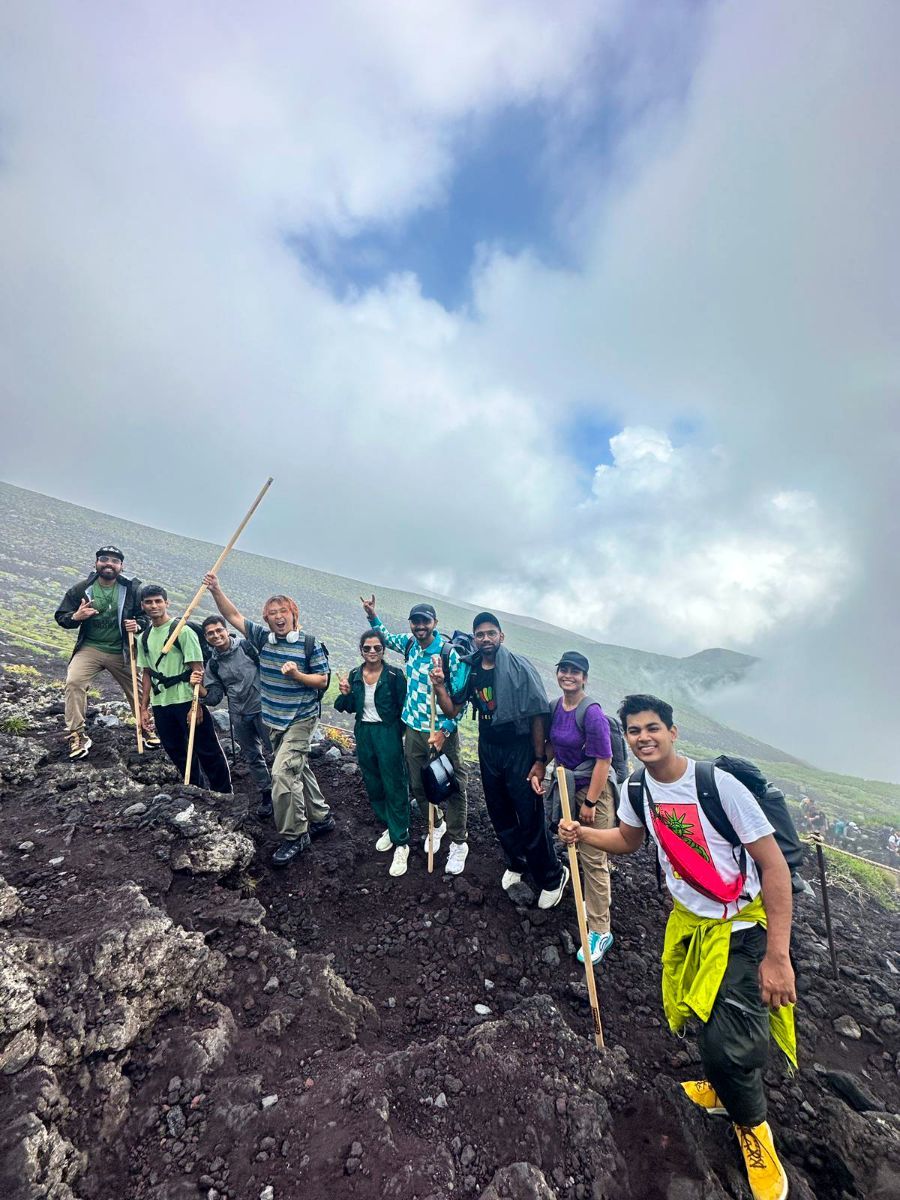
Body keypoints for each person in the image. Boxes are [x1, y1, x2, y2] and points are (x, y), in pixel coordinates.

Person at [560, 694, 795, 1200]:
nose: (643, 738)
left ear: (673, 731)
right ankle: (722, 1088)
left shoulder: (719, 786)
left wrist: (778, 955)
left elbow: (773, 866)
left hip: (739, 927)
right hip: (689, 925)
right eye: (634, 731)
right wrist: (583, 834)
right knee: (701, 1016)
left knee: (730, 1042)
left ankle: (754, 1130)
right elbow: (629, 840)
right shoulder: (638, 786)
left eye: (652, 728)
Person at [432, 612, 568, 907]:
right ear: (474, 638)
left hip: (519, 748)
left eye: (491, 633)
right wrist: (440, 686)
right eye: (480, 634)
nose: (486, 639)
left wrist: (539, 760)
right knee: (499, 810)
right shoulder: (470, 669)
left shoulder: (520, 668)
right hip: (489, 747)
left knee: (529, 813)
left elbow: (537, 714)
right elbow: (453, 710)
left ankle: (552, 875)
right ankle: (517, 861)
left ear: (501, 636)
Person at [204, 572, 333, 867]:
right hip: (274, 720)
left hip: (301, 719)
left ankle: (295, 835)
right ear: (266, 619)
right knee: (298, 768)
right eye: (272, 613)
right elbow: (233, 616)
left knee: (282, 774)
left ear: (294, 614)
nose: (278, 616)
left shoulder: (309, 644)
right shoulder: (263, 639)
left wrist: (297, 675)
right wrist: (216, 589)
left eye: (283, 611)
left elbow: (322, 680)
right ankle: (322, 817)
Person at [362, 594, 469, 875]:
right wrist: (372, 616)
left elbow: (462, 700)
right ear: (411, 623)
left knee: (453, 785)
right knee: (419, 784)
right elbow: (385, 637)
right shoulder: (409, 644)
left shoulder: (448, 654)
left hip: (441, 731)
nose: (420, 626)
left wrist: (445, 730)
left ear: (435, 622)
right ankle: (436, 824)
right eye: (415, 621)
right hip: (414, 729)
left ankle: (459, 841)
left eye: (425, 621)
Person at [543, 651, 614, 964]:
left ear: (584, 678)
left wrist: (590, 802)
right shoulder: (556, 707)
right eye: (564, 669)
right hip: (567, 785)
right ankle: (591, 903)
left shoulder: (592, 713)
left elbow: (604, 761)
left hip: (591, 789)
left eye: (575, 671)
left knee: (593, 858)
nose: (568, 675)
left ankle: (600, 929)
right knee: (575, 849)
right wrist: (538, 766)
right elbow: (553, 746)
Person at [53, 545, 152, 760]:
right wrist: (76, 617)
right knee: (74, 682)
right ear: (96, 563)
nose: (109, 564)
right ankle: (77, 734)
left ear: (121, 566)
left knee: (137, 690)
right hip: (90, 648)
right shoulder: (81, 589)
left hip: (121, 649)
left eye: (115, 561)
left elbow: (146, 616)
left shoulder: (132, 590)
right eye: (104, 559)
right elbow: (61, 616)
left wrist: (138, 625)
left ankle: (145, 727)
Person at [135, 585, 232, 792]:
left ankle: (224, 794)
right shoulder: (143, 637)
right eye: (149, 602)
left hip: (186, 699)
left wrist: (196, 706)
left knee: (207, 749)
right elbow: (147, 673)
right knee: (176, 750)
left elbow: (197, 669)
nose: (154, 606)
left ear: (166, 603)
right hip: (161, 703)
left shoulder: (183, 631)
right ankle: (197, 791)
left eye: (158, 601)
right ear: (142, 606)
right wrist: (144, 708)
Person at [334, 629, 410, 877]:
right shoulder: (355, 675)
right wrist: (345, 693)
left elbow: (403, 707)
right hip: (364, 732)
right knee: (373, 782)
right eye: (367, 648)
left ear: (384, 650)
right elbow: (347, 708)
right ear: (361, 650)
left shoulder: (394, 675)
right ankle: (391, 824)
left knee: (394, 783)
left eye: (377, 647)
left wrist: (397, 735)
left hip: (387, 732)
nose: (372, 651)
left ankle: (401, 841)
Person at [198, 615, 273, 819]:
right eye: (210, 633)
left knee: (276, 751)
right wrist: (199, 688)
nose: (216, 635)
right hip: (238, 715)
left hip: (263, 709)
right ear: (206, 637)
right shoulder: (213, 664)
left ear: (226, 630)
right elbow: (214, 698)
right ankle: (267, 794)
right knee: (252, 757)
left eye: (219, 630)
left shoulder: (247, 647)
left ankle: (289, 792)